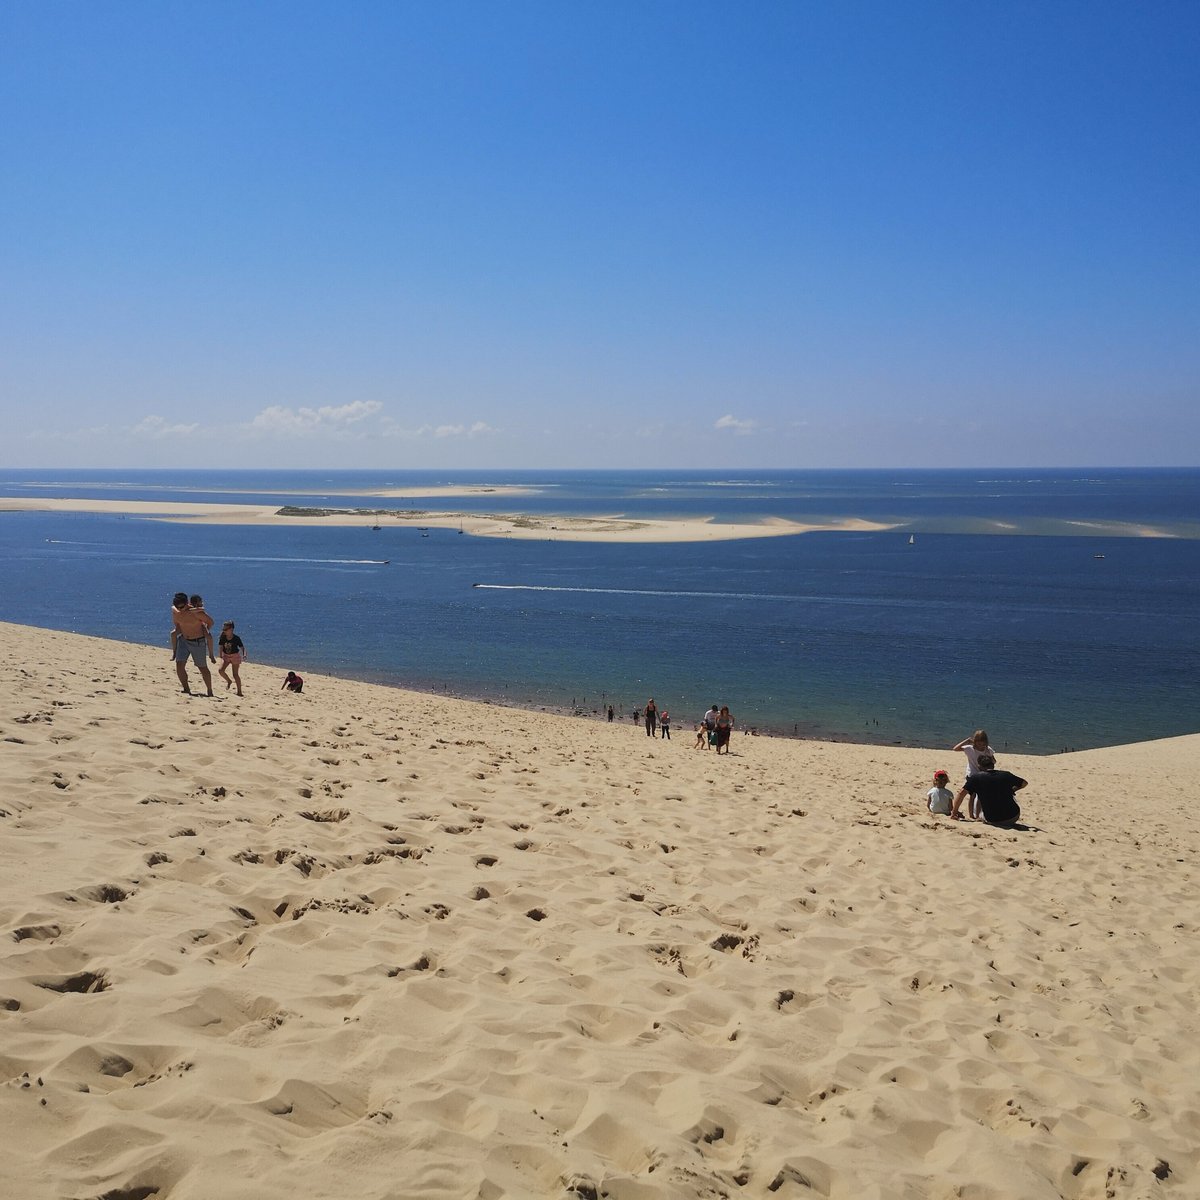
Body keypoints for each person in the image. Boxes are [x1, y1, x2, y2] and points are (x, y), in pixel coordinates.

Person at [951, 754, 1026, 825]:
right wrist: (1012, 790)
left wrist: (954, 813)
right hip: (1013, 816)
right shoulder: (1006, 774)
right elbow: (1024, 783)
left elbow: (961, 793)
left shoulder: (976, 777)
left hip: (993, 819)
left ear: (979, 766)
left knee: (981, 798)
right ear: (993, 765)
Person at [172, 592, 215, 696]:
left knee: (202, 667)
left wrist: (205, 631)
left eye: (182, 607)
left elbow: (210, 622)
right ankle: (186, 689)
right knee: (179, 665)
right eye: (178, 607)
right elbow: (174, 609)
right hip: (183, 640)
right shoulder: (175, 611)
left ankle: (209, 691)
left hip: (197, 642)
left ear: (187, 603)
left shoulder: (197, 613)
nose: (180, 609)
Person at [953, 729, 995, 820]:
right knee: (972, 796)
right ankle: (971, 815)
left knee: (980, 796)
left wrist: (990, 759)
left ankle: (977, 815)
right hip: (972, 775)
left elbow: (993, 760)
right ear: (975, 742)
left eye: (983, 744)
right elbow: (955, 748)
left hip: (983, 775)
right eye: (979, 744)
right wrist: (967, 740)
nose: (981, 746)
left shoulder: (988, 749)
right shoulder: (969, 748)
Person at [217, 621, 246, 696]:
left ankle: (239, 691)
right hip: (226, 656)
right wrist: (220, 655)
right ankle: (229, 681)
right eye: (223, 629)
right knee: (220, 670)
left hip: (235, 656)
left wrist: (244, 654)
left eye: (226, 629)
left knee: (235, 674)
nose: (224, 630)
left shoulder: (236, 638)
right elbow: (220, 646)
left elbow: (242, 647)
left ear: (231, 629)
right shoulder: (223, 637)